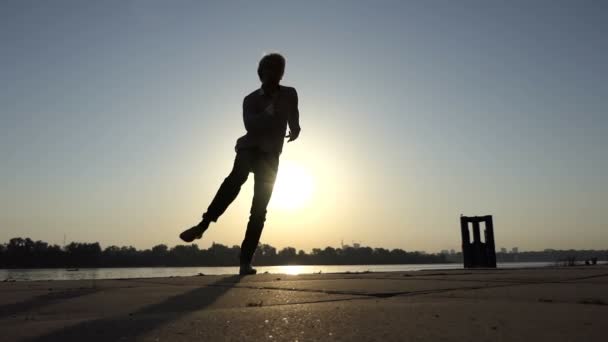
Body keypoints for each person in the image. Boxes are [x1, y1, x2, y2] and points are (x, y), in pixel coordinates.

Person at [179, 53, 301, 275]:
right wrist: (267, 113)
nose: (274, 73)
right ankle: (202, 226)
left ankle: (245, 261)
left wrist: (295, 129)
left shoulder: (290, 94)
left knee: (259, 209)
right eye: (270, 69)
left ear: (282, 73)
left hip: (271, 155)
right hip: (249, 148)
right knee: (236, 179)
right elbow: (250, 124)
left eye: (278, 69)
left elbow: (294, 115)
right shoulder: (251, 99)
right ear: (261, 73)